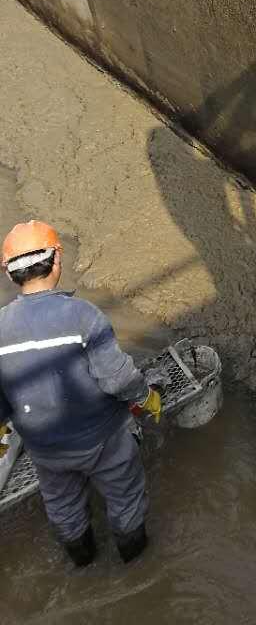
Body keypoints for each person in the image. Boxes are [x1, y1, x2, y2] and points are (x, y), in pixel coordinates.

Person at [0, 220, 161, 568]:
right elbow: (117, 379)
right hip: (103, 439)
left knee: (63, 508)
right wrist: (145, 396)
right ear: (57, 260)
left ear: (10, 274)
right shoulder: (82, 315)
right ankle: (136, 565)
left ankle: (83, 563)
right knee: (125, 499)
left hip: (46, 450)